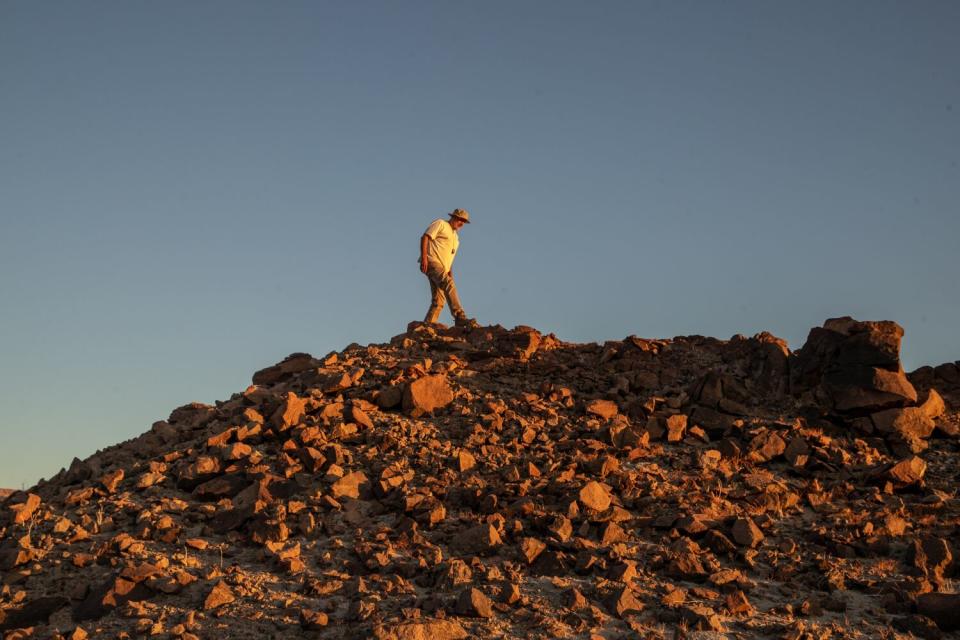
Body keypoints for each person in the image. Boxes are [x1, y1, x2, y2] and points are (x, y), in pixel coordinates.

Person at [420, 209, 479, 327]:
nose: (461, 223)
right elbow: (425, 237)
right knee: (448, 284)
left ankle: (427, 326)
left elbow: (449, 256)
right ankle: (459, 316)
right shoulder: (441, 224)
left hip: (443, 267)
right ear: (453, 217)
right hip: (432, 261)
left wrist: (450, 272)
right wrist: (424, 258)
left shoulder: (456, 239)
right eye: (460, 219)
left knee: (439, 300)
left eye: (464, 221)